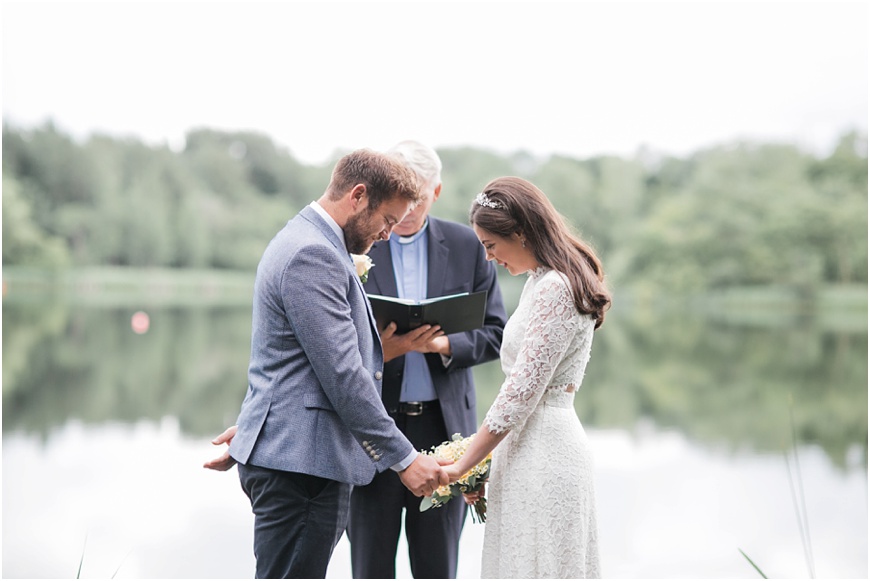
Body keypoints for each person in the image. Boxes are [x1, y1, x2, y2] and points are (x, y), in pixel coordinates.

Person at [206, 149, 451, 579]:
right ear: (358, 196)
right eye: (387, 221)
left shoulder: (311, 241)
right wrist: (406, 459)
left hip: (296, 457)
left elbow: (288, 362)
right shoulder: (312, 255)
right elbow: (342, 375)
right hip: (301, 469)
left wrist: (258, 427)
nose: (388, 235)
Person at [346, 141, 507, 579]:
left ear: (436, 193)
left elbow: (496, 333)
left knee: (438, 567)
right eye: (403, 197)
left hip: (445, 429)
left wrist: (443, 345)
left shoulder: (469, 245)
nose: (409, 209)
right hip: (372, 430)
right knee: (369, 566)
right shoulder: (356, 243)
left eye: (419, 197)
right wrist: (384, 347)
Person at [442, 176, 611, 579]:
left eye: (490, 246)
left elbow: (520, 393)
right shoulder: (540, 282)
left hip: (547, 457)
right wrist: (492, 462)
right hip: (523, 452)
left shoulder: (556, 286)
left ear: (520, 232)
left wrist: (465, 464)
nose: (489, 258)